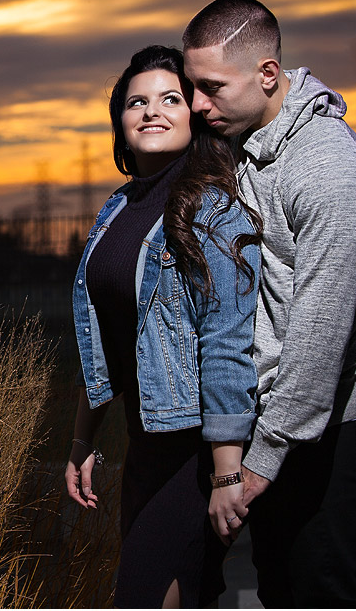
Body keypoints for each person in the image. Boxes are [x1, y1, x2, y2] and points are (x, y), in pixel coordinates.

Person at [181, 0, 356, 608]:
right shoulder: (244, 140)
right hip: (271, 417)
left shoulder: (327, 168)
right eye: (193, 88)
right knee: (280, 590)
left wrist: (266, 455)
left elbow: (321, 333)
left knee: (320, 594)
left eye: (212, 88)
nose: (198, 105)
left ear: (268, 74)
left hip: (327, 424)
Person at [65, 45, 262, 608]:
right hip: (144, 445)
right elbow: (104, 341)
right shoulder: (118, 209)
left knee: (147, 594)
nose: (152, 111)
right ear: (120, 125)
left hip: (193, 450)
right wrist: (84, 441)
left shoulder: (211, 208)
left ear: (193, 114)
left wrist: (226, 471)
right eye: (136, 102)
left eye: (169, 99)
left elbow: (227, 339)